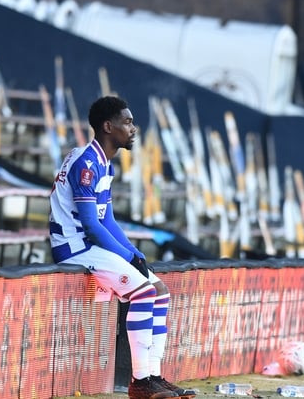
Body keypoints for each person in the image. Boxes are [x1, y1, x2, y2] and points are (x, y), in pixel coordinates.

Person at [49, 96, 195, 399]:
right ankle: (140, 383)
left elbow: (109, 221)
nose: (134, 128)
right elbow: (91, 225)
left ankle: (153, 375)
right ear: (108, 126)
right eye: (127, 122)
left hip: (92, 245)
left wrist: (135, 254)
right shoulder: (87, 163)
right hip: (75, 247)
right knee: (143, 292)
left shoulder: (102, 163)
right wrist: (128, 256)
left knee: (161, 290)